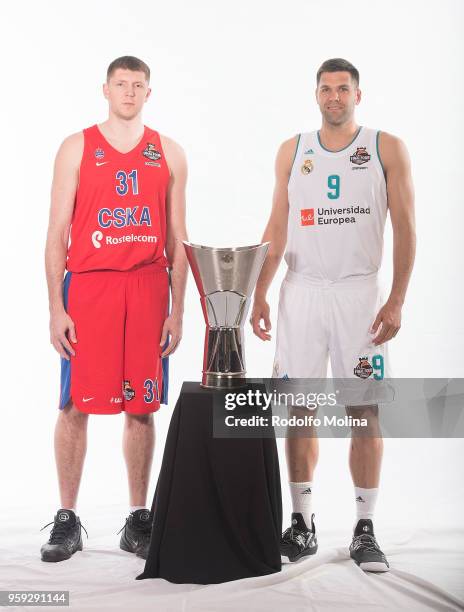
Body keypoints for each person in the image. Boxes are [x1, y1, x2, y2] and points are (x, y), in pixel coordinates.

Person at [251, 58, 415, 572]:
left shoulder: (385, 146)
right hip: (301, 293)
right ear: (315, 95)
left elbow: (407, 228)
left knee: (363, 413)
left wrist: (398, 299)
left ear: (357, 96)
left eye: (344, 89)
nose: (334, 97)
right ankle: (302, 522)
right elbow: (275, 229)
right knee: (299, 411)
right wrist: (259, 292)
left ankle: (365, 527)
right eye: (326, 89)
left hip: (359, 295)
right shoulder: (292, 150)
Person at [41, 56, 188, 562]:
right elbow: (56, 231)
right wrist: (55, 307)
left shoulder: (168, 151)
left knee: (141, 407)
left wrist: (179, 310)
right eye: (121, 84)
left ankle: (137, 517)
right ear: (105, 89)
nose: (129, 92)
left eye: (138, 85)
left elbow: (177, 238)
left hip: (148, 288)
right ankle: (66, 517)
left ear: (150, 92)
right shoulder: (77, 147)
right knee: (74, 404)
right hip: (90, 288)